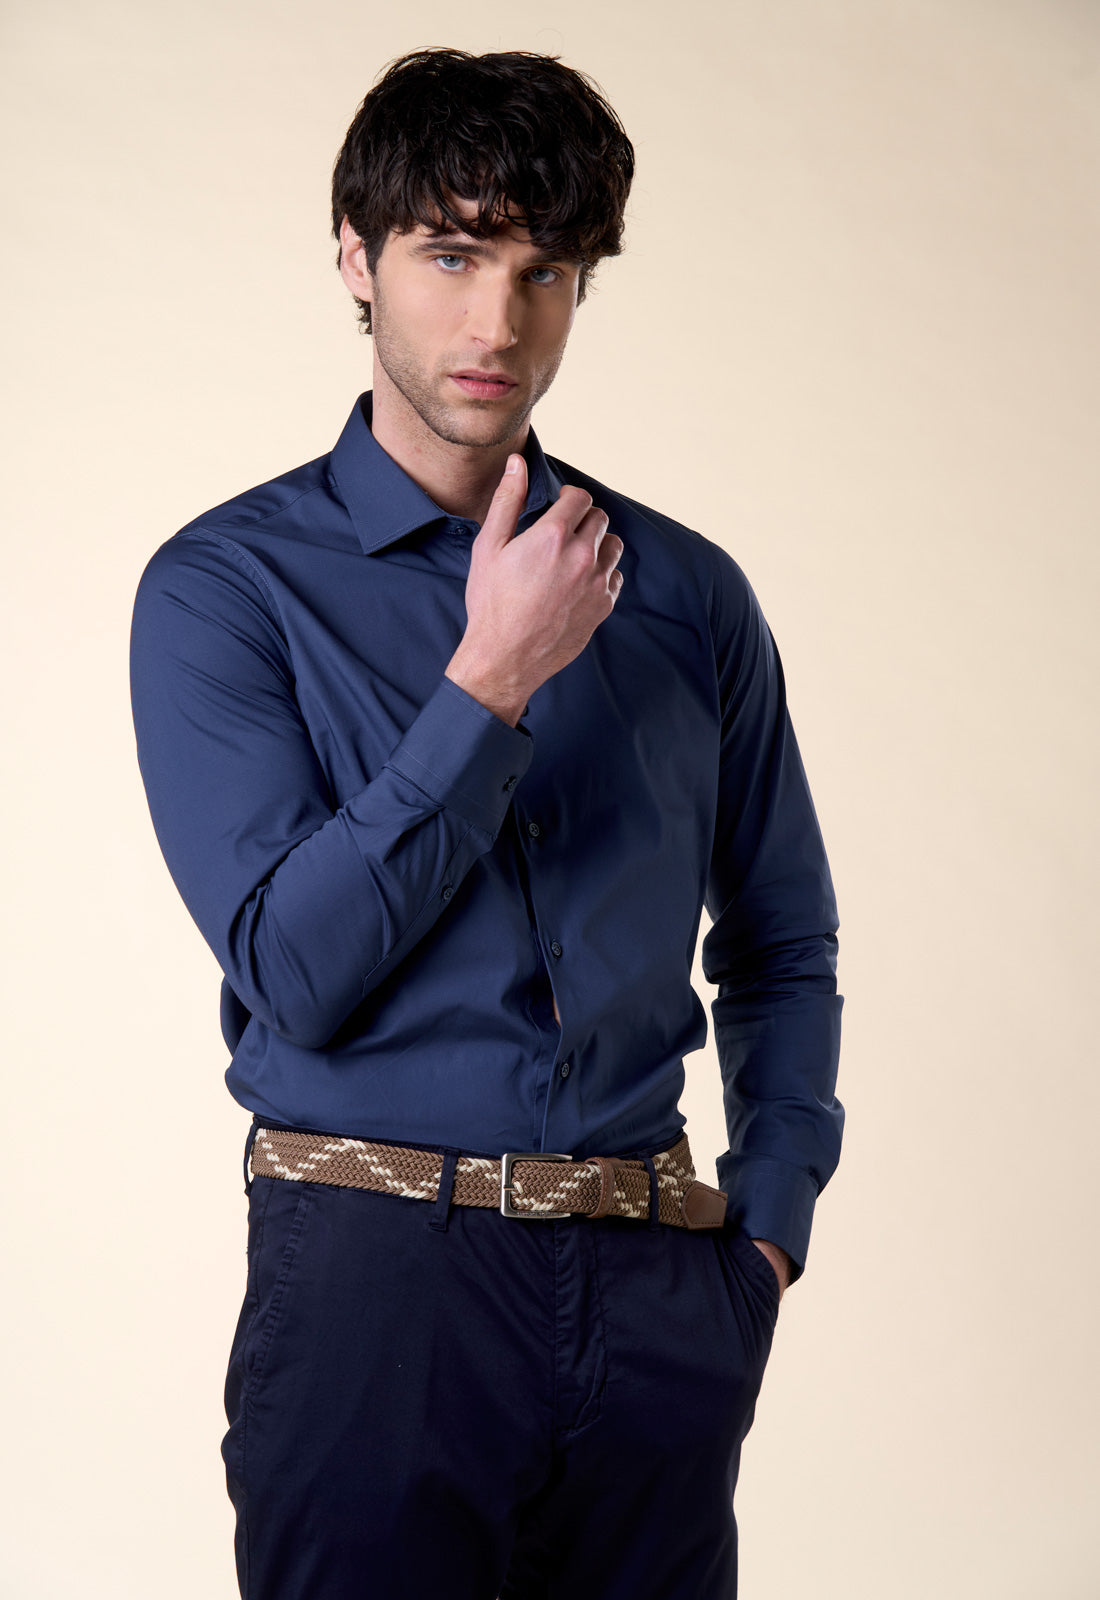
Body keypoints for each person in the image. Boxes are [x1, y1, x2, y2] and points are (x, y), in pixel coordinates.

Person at [130, 46, 843, 1600]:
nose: (498, 323)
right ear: (356, 259)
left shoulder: (686, 592)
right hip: (376, 1290)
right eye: (451, 256)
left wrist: (769, 1227)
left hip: (658, 1290)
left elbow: (783, 936)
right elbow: (294, 970)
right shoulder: (223, 592)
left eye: (545, 271)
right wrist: (491, 681)